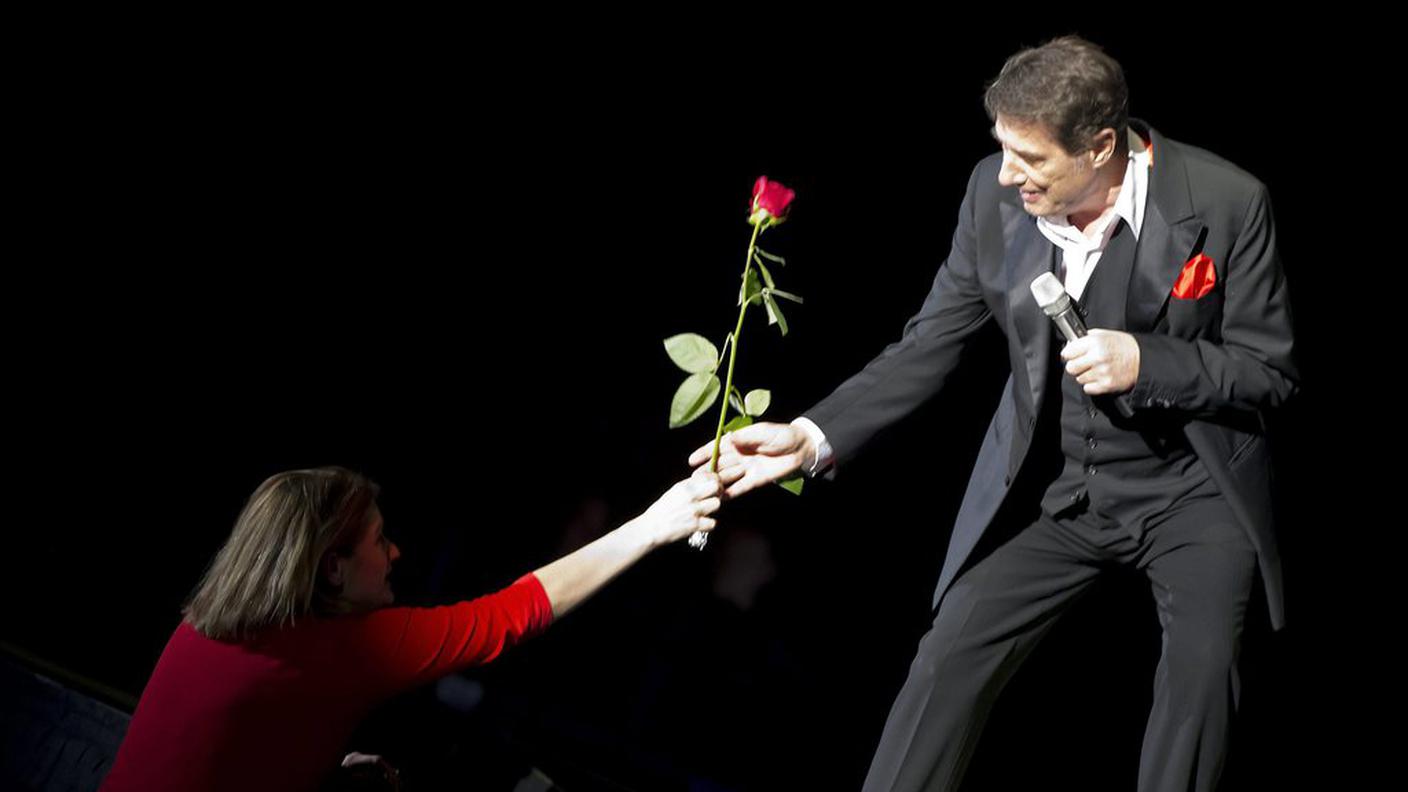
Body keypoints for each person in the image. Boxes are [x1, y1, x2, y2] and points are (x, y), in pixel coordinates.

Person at [691, 36, 1296, 792]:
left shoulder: (1228, 201)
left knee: (1201, 685)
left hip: (1191, 492)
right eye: (1002, 149)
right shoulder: (992, 195)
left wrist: (1150, 363)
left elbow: (1268, 373)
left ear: (1100, 147)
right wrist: (812, 436)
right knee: (949, 652)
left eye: (1031, 159)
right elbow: (931, 342)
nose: (1008, 174)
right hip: (1064, 485)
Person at [101, 464, 731, 792]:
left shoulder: (206, 626)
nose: (396, 553)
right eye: (379, 540)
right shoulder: (350, 646)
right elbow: (512, 616)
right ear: (333, 570)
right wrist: (654, 524)